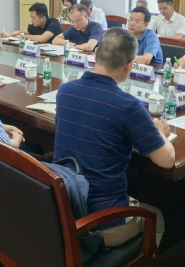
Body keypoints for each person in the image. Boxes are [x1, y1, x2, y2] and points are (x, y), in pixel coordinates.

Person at [54, 28, 175, 248]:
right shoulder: (128, 105)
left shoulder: (65, 90)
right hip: (101, 222)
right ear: (129, 65)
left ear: (95, 54)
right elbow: (167, 160)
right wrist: (160, 133)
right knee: (157, 217)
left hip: (63, 206)